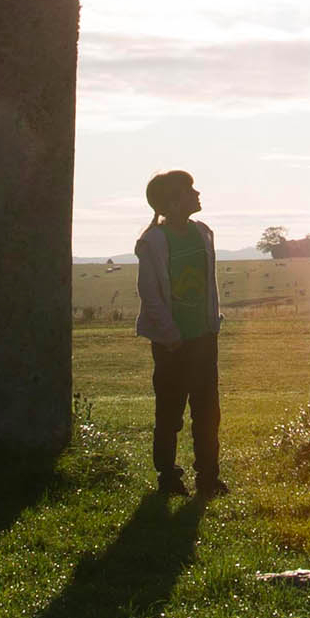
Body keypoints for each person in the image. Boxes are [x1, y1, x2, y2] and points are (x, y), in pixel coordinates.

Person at [133, 169, 227, 497]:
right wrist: (170, 335)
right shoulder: (154, 241)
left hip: (203, 338)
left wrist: (212, 323)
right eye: (189, 190)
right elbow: (150, 293)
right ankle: (168, 477)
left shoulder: (203, 232)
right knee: (170, 411)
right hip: (172, 343)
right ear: (172, 203)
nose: (197, 193)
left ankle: (208, 477)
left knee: (207, 411)